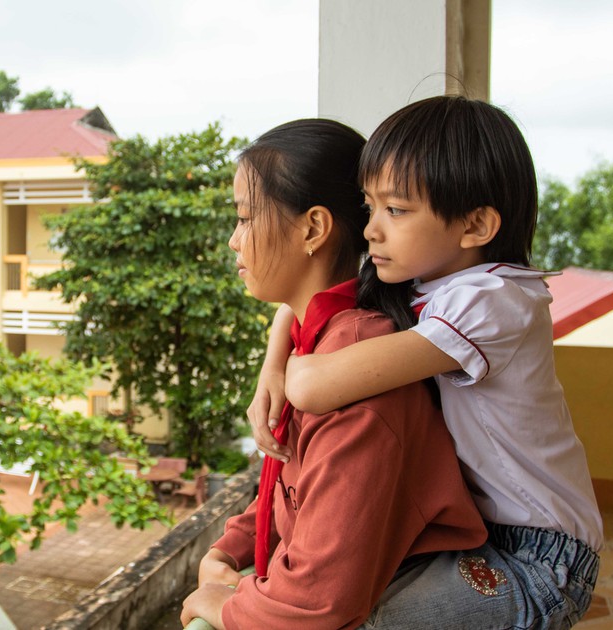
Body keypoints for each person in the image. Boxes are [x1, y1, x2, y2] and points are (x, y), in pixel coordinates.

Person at [249, 96, 602, 628]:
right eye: (369, 208)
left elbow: (317, 385)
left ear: (476, 225)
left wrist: (293, 367)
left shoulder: (493, 299)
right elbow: (299, 314)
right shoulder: (432, 282)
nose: (372, 230)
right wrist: (273, 360)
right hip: (483, 534)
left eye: (396, 210)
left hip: (539, 560)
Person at [179, 118, 486, 629]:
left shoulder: (357, 371)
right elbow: (297, 489)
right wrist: (229, 550)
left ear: (314, 229)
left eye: (245, 218)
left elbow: (319, 603)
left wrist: (224, 605)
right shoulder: (318, 339)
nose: (235, 241)